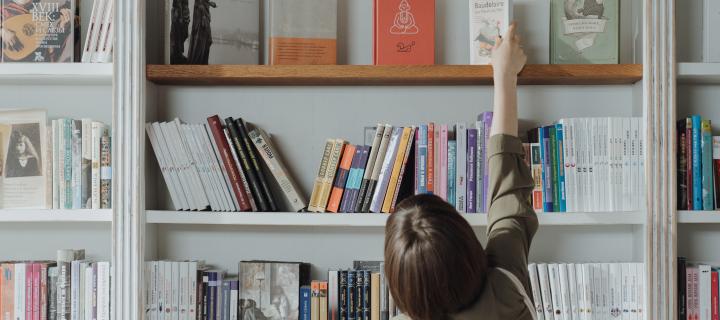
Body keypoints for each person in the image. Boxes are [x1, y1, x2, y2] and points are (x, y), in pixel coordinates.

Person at [384, 23, 536, 320]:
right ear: (467, 245)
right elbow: (507, 194)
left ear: (400, 283)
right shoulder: (505, 286)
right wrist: (504, 75)